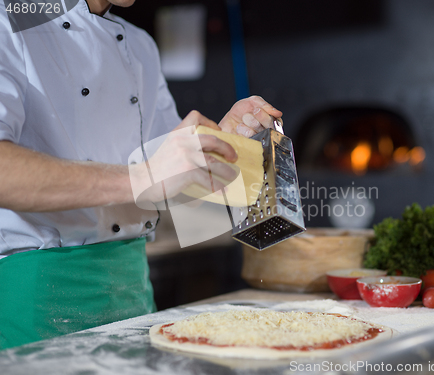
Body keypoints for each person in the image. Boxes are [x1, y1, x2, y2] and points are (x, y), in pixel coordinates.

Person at [0, 0, 282, 350]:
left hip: (132, 296)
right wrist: (141, 177)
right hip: (36, 303)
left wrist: (223, 145)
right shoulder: (9, 21)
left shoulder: (140, 46)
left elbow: (181, 201)